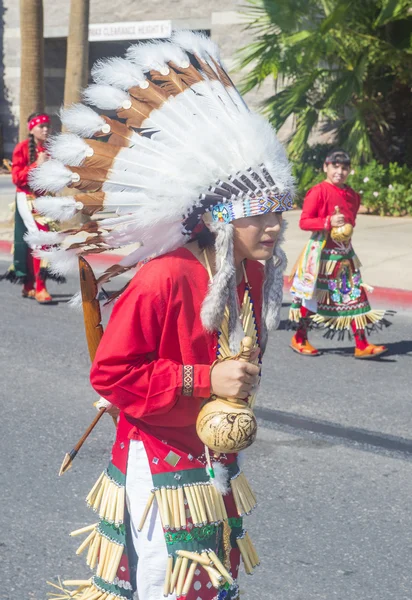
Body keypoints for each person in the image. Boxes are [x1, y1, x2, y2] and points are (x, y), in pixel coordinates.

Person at [33, 33, 294, 600]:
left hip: (214, 446)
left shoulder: (249, 269)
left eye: (279, 213)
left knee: (207, 574)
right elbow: (110, 376)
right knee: (162, 577)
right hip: (161, 454)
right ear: (222, 221)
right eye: (260, 217)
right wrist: (207, 380)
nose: (273, 227)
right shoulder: (164, 277)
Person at [289, 149, 390, 359]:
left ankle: (361, 344)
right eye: (335, 166)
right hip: (321, 256)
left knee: (354, 297)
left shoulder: (352, 195)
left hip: (345, 256)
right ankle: (299, 338)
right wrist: (327, 222)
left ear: (349, 170)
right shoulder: (318, 191)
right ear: (325, 167)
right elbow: (304, 221)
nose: (340, 171)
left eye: (344, 167)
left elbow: (352, 219)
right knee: (313, 298)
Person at [0, 112, 63, 303]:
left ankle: (28, 285)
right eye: (41, 126)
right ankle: (40, 287)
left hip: (46, 200)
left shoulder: (51, 149)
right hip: (27, 199)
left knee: (33, 242)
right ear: (32, 129)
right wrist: (36, 164)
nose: (45, 129)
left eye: (47, 126)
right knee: (41, 239)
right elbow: (17, 178)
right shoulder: (21, 148)